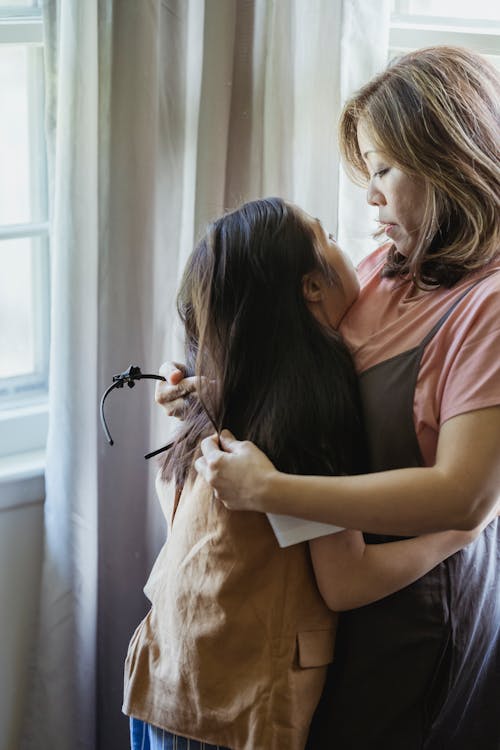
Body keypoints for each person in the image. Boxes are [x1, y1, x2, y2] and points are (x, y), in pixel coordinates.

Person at [161, 47, 500, 748]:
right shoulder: (384, 265)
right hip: (327, 607)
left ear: (448, 161)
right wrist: (216, 388)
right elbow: (300, 354)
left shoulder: (488, 308)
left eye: (383, 170)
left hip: (415, 611)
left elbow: (464, 498)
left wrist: (275, 489)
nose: (369, 197)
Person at [122, 197, 488, 750]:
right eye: (331, 238)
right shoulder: (305, 419)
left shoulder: (232, 392)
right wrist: (457, 533)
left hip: (163, 677)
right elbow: (347, 582)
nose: (356, 250)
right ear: (311, 287)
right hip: (236, 711)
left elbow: (173, 503)